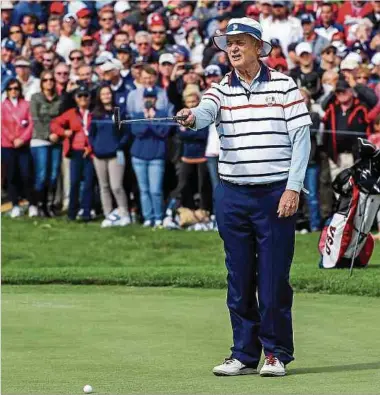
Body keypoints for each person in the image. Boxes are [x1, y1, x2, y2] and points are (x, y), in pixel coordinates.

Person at [176, 17, 311, 377]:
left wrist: (293, 187)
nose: (232, 48)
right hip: (233, 195)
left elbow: (301, 140)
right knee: (238, 278)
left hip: (274, 194)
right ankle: (243, 353)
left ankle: (275, 353)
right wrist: (191, 116)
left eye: (240, 42)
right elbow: (205, 113)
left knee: (272, 279)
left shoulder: (285, 86)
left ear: (257, 47)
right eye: (228, 43)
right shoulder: (219, 88)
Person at [50, 85, 95, 222]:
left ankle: (86, 212)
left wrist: (91, 148)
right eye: (80, 96)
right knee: (74, 182)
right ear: (75, 98)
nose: (83, 99)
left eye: (85, 96)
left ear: (90, 98)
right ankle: (72, 212)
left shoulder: (94, 113)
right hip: (75, 151)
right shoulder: (71, 113)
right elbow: (54, 123)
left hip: (90, 152)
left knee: (88, 183)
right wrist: (64, 132)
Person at [89, 85, 130, 228]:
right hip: (99, 155)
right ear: (99, 97)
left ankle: (124, 213)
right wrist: (94, 147)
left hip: (116, 155)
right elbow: (91, 134)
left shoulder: (118, 111)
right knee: (103, 186)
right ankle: (109, 215)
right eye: (103, 94)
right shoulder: (95, 113)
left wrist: (119, 145)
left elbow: (125, 133)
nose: (106, 96)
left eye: (108, 93)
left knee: (116, 186)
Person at [130, 87, 171, 228]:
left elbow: (163, 132)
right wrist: (147, 120)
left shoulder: (163, 114)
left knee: (156, 190)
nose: (149, 100)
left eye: (152, 97)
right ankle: (148, 217)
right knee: (144, 190)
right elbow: (137, 132)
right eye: (147, 97)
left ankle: (158, 217)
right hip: (139, 156)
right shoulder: (137, 114)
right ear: (143, 99)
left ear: (156, 99)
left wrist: (152, 120)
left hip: (156, 157)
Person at [170, 85, 210, 212]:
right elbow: (179, 134)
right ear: (185, 103)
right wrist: (190, 133)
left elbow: (202, 135)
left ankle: (204, 211)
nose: (192, 104)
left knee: (203, 186)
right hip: (187, 156)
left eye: (194, 101)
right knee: (184, 185)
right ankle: (190, 210)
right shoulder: (182, 114)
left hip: (202, 156)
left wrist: (187, 132)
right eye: (189, 102)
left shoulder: (203, 114)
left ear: (198, 101)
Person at [1, 78, 37, 218]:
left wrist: (22, 139)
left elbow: (31, 123)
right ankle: (14, 204)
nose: (13, 91)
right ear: (7, 91)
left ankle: (32, 203)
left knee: (27, 175)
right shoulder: (2, 106)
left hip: (23, 145)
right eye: (10, 89)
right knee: (11, 175)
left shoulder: (26, 104)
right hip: (7, 145)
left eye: (16, 88)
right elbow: (2, 126)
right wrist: (12, 139)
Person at [322, 79, 370, 184]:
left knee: (354, 187)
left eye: (344, 91)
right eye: (338, 92)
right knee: (337, 187)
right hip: (335, 156)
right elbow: (322, 105)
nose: (341, 94)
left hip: (354, 156)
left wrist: (356, 85)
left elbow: (373, 100)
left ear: (351, 91)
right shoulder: (332, 108)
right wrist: (332, 91)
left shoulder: (361, 108)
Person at [30, 71, 62, 217]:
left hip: (56, 140)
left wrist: (57, 134)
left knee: (54, 175)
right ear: (41, 82)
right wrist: (48, 135)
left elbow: (61, 119)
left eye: (51, 80)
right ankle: (38, 204)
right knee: (41, 175)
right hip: (40, 140)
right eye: (46, 80)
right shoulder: (35, 98)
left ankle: (50, 204)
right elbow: (36, 120)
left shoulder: (59, 99)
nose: (49, 82)